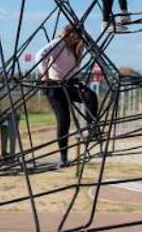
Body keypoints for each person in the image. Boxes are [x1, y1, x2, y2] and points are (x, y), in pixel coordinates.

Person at [35, 24, 98, 168]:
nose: (78, 39)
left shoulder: (77, 47)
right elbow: (39, 55)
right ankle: (63, 157)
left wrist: (81, 46)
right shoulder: (59, 43)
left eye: (80, 37)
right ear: (70, 34)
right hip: (54, 86)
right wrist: (44, 74)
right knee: (64, 120)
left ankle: (91, 129)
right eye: (76, 36)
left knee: (90, 96)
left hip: (70, 84)